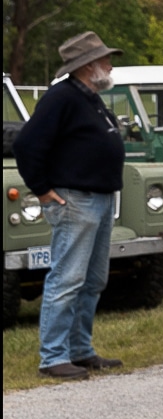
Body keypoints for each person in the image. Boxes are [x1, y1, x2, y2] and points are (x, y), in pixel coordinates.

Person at [13, 31, 128, 380]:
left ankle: (79, 349)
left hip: (99, 198)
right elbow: (26, 144)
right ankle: (53, 356)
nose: (110, 65)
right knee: (67, 277)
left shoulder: (89, 98)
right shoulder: (61, 97)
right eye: (105, 59)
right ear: (88, 66)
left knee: (93, 279)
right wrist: (42, 190)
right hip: (75, 200)